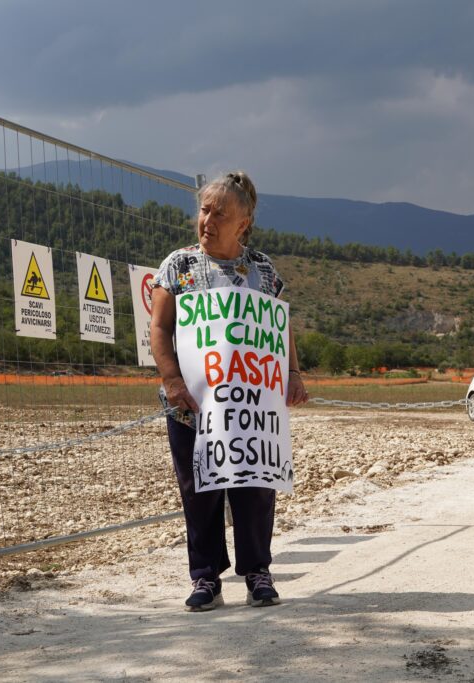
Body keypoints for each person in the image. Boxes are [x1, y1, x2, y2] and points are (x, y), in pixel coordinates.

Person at [150, 171, 310, 612]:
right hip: (192, 408)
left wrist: (293, 373)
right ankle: (205, 578)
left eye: (220, 214)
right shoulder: (177, 266)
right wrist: (172, 380)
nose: (207, 220)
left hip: (249, 408)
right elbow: (160, 329)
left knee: (256, 486)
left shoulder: (262, 269)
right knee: (198, 490)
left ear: (243, 223)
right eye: (204, 210)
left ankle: (257, 571)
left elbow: (281, 327)